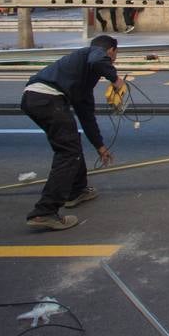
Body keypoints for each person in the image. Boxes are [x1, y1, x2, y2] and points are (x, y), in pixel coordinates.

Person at [21, 35, 120, 231]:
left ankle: (77, 191)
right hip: (48, 98)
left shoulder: (83, 78)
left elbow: (86, 116)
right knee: (68, 153)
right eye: (114, 55)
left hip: (36, 99)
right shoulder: (93, 53)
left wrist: (100, 147)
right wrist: (115, 79)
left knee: (71, 144)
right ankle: (44, 211)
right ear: (111, 51)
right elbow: (98, 60)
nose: (112, 59)